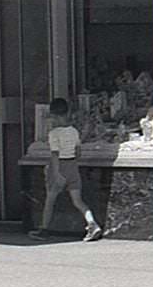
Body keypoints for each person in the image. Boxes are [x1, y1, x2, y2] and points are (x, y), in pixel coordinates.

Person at [31, 97, 105, 241]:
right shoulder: (74, 131)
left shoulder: (54, 134)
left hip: (60, 166)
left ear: (54, 116)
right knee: (78, 201)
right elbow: (78, 152)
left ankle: (44, 229)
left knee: (50, 200)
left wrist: (57, 173)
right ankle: (92, 223)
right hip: (73, 166)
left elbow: (55, 154)